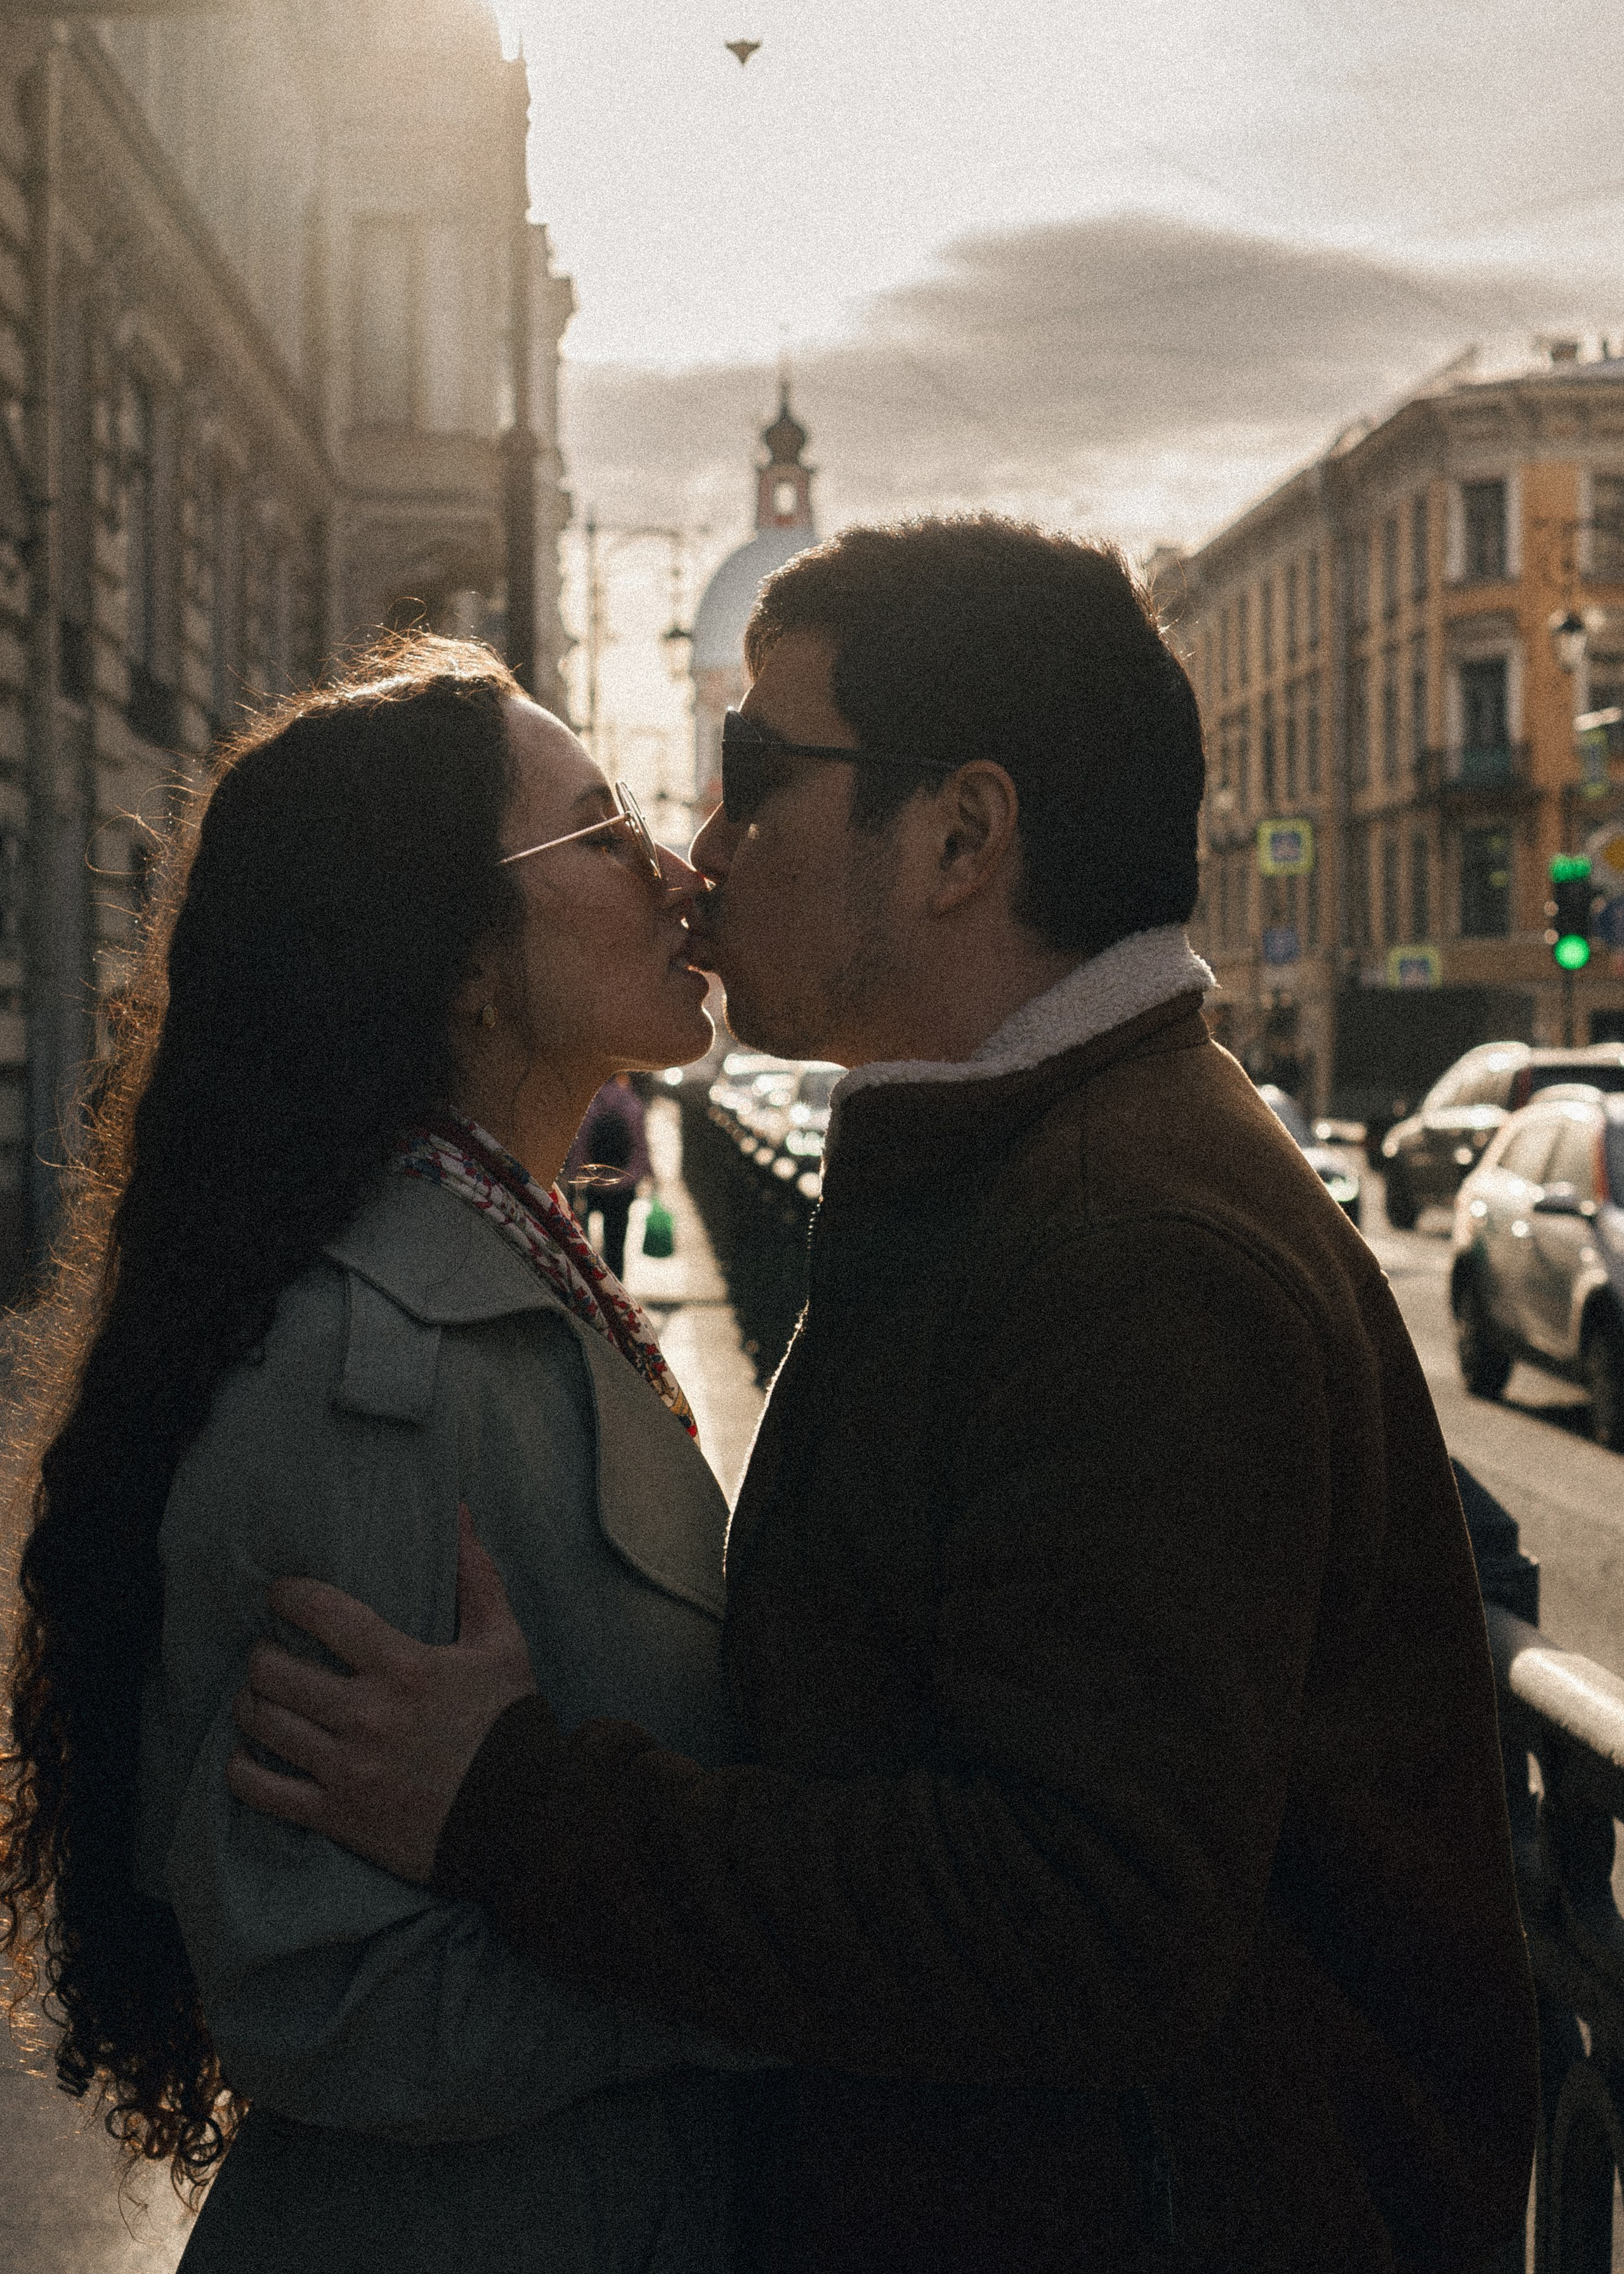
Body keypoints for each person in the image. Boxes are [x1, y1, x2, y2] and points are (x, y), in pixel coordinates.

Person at [230, 521, 1540, 2273]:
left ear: (958, 839)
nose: (704, 846)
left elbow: (1078, 1926)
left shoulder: (1121, 1246)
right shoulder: (1043, 1171)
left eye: (757, 774)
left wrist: (519, 1805)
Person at [0, 639, 752, 2272]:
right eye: (604, 836)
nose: (680, 876)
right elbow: (333, 1992)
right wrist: (774, 1983)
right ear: (463, 962)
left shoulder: (499, 1269)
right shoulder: (375, 1365)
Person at [566, 1073, 652, 1277]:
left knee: (583, 1237)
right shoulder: (632, 1104)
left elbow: (579, 1145)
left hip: (592, 1183)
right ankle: (616, 1284)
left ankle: (590, 1279)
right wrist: (646, 1174)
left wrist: (574, 1175)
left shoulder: (589, 1104)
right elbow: (641, 1145)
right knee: (616, 1240)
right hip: (623, 1184)